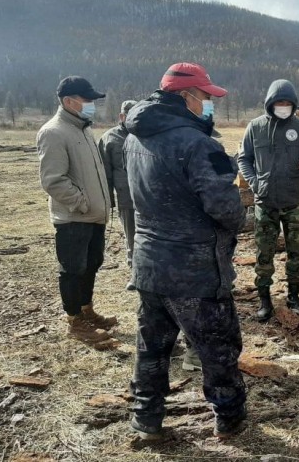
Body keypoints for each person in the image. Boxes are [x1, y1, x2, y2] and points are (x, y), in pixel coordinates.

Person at [123, 62, 247, 440]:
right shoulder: (200, 145)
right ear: (185, 96)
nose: (209, 104)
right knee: (218, 348)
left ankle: (146, 418)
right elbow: (226, 209)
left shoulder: (133, 137)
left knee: (153, 347)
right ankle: (229, 417)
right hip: (194, 271)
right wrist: (238, 216)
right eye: (206, 97)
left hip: (149, 265)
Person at [36, 76, 118, 346]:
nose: (92, 105)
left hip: (93, 216)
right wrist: (82, 203)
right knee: (72, 269)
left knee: (91, 264)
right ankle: (74, 321)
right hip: (73, 217)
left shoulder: (83, 129)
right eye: (87, 100)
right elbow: (53, 180)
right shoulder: (54, 132)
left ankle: (86, 310)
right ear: (68, 101)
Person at [237, 79, 299, 321]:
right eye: (279, 102)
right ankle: (265, 301)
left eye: (287, 102)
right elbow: (244, 158)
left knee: (296, 253)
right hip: (266, 203)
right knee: (264, 254)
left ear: (293, 104)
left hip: (294, 200)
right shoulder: (255, 127)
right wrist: (254, 183)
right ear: (270, 103)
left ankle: (294, 298)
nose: (283, 106)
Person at [98, 99, 138, 290]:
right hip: (126, 197)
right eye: (129, 115)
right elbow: (104, 172)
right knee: (131, 236)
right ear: (122, 116)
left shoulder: (146, 135)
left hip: (149, 197)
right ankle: (135, 275)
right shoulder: (109, 138)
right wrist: (108, 201)